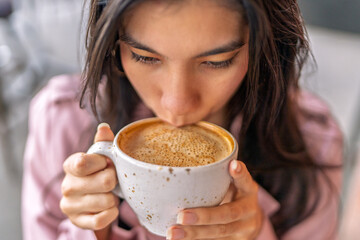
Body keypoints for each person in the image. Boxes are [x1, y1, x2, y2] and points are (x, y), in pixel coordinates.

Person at [22, 0, 343, 239]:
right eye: (145, 57)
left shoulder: (312, 143)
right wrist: (92, 231)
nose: (176, 105)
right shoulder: (62, 118)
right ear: (112, 43)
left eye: (217, 62)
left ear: (265, 46)